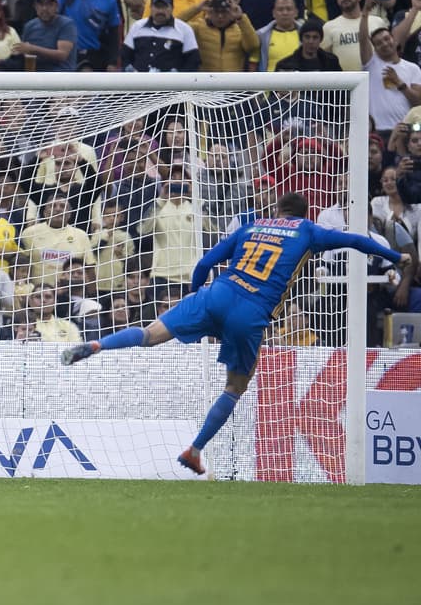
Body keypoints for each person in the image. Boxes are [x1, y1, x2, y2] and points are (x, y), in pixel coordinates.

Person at [62, 192, 407, 476]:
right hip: (250, 312)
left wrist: (196, 297)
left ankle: (96, 344)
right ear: (306, 214)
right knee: (236, 386)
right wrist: (397, 256)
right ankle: (195, 450)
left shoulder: (250, 226)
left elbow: (203, 264)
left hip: (215, 294)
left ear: (276, 210)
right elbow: (358, 241)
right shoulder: (309, 231)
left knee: (150, 333)